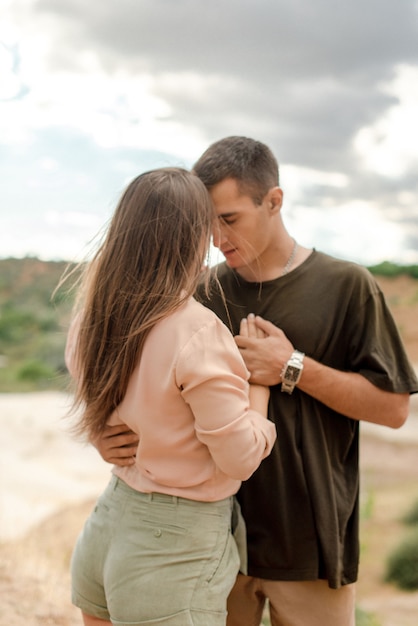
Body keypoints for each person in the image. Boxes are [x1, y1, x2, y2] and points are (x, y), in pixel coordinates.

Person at [95, 139, 418, 626]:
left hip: (308, 542)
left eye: (229, 219)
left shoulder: (348, 285)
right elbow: (140, 383)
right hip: (207, 542)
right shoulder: (199, 290)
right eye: (207, 224)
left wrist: (292, 368)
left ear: (274, 201)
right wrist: (104, 434)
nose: (217, 238)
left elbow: (393, 410)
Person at [64, 166, 276, 626]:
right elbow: (239, 458)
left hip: (107, 527)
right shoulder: (196, 331)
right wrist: (260, 387)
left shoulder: (90, 316)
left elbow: (108, 411)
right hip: (172, 548)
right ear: (193, 238)